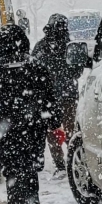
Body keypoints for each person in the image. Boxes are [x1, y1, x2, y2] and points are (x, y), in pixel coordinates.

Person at [0, 24, 61, 204]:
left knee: (11, 170)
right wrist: (54, 120)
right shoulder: (36, 66)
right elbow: (49, 97)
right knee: (29, 169)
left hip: (5, 130)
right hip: (32, 128)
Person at [32, 14, 84, 179]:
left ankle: (61, 165)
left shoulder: (41, 47)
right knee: (69, 131)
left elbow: (34, 71)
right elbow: (77, 72)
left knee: (54, 132)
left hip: (48, 98)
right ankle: (72, 161)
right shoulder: (69, 46)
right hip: (67, 95)